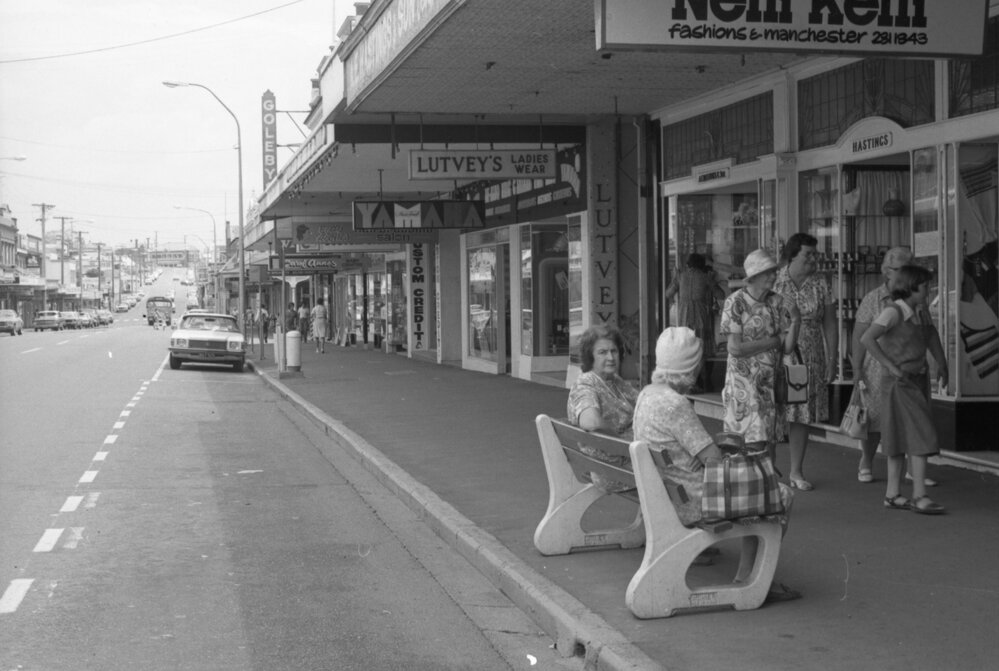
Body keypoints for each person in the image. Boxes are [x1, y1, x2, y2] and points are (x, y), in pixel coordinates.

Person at [633, 326, 798, 602]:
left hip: (671, 491)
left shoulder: (647, 394)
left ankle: (750, 575)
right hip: (694, 500)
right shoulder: (674, 403)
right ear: (690, 367)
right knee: (780, 493)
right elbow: (713, 459)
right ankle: (752, 577)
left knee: (763, 486)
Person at [861, 265, 949, 515]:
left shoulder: (919, 312)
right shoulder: (894, 312)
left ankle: (893, 494)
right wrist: (889, 365)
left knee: (898, 437)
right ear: (911, 287)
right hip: (900, 382)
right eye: (924, 287)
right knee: (922, 434)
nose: (928, 290)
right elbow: (867, 338)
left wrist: (941, 363)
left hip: (915, 380)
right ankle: (920, 494)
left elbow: (930, 336)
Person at [851, 247, 937, 486]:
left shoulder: (918, 300)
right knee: (876, 419)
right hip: (878, 368)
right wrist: (857, 369)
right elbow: (861, 335)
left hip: (911, 370)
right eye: (899, 269)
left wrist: (940, 360)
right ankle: (866, 460)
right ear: (885, 272)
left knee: (912, 420)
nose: (904, 273)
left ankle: (912, 471)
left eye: (908, 267)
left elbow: (929, 333)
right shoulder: (874, 299)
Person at [720, 249, 801, 466]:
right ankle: (747, 486)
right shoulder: (735, 302)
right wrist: (772, 342)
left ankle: (768, 486)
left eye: (774, 272)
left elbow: (787, 347)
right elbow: (735, 348)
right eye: (768, 273)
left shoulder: (776, 301)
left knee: (769, 442)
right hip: (743, 386)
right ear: (754, 277)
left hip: (770, 384)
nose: (773, 276)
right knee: (748, 443)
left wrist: (796, 320)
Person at [773, 233, 837, 491]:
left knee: (800, 412)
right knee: (775, 411)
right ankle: (769, 470)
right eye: (808, 254)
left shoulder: (821, 283)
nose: (814, 259)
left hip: (808, 355)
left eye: (815, 254)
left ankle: (796, 471)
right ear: (792, 255)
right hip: (779, 353)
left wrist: (833, 358)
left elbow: (830, 323)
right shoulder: (776, 281)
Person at [566, 324, 639, 492]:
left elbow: (644, 404)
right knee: (678, 468)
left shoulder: (614, 381)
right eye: (602, 352)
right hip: (616, 470)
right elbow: (590, 422)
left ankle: (643, 519)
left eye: (614, 351)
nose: (611, 357)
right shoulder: (586, 383)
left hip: (622, 463)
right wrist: (623, 442)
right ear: (590, 356)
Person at [664, 252, 725, 390]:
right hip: (701, 317)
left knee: (687, 348)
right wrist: (712, 283)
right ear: (702, 265)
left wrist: (675, 278)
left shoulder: (680, 276)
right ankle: (706, 381)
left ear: (688, 265)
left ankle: (692, 382)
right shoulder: (705, 277)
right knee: (704, 349)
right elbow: (721, 294)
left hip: (684, 318)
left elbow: (668, 293)